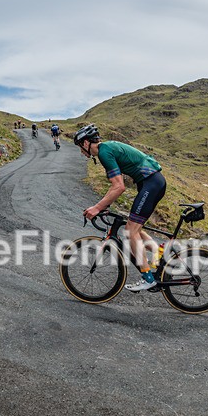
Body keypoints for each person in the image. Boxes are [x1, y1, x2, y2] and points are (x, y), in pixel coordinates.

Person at [74, 124, 166, 292]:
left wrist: (96, 208)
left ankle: (147, 278)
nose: (81, 152)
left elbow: (118, 187)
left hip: (150, 183)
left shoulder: (103, 152)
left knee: (131, 231)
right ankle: (157, 251)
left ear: (86, 143)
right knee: (133, 227)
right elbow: (117, 187)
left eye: (80, 147)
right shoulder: (107, 148)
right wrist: (104, 205)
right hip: (152, 182)